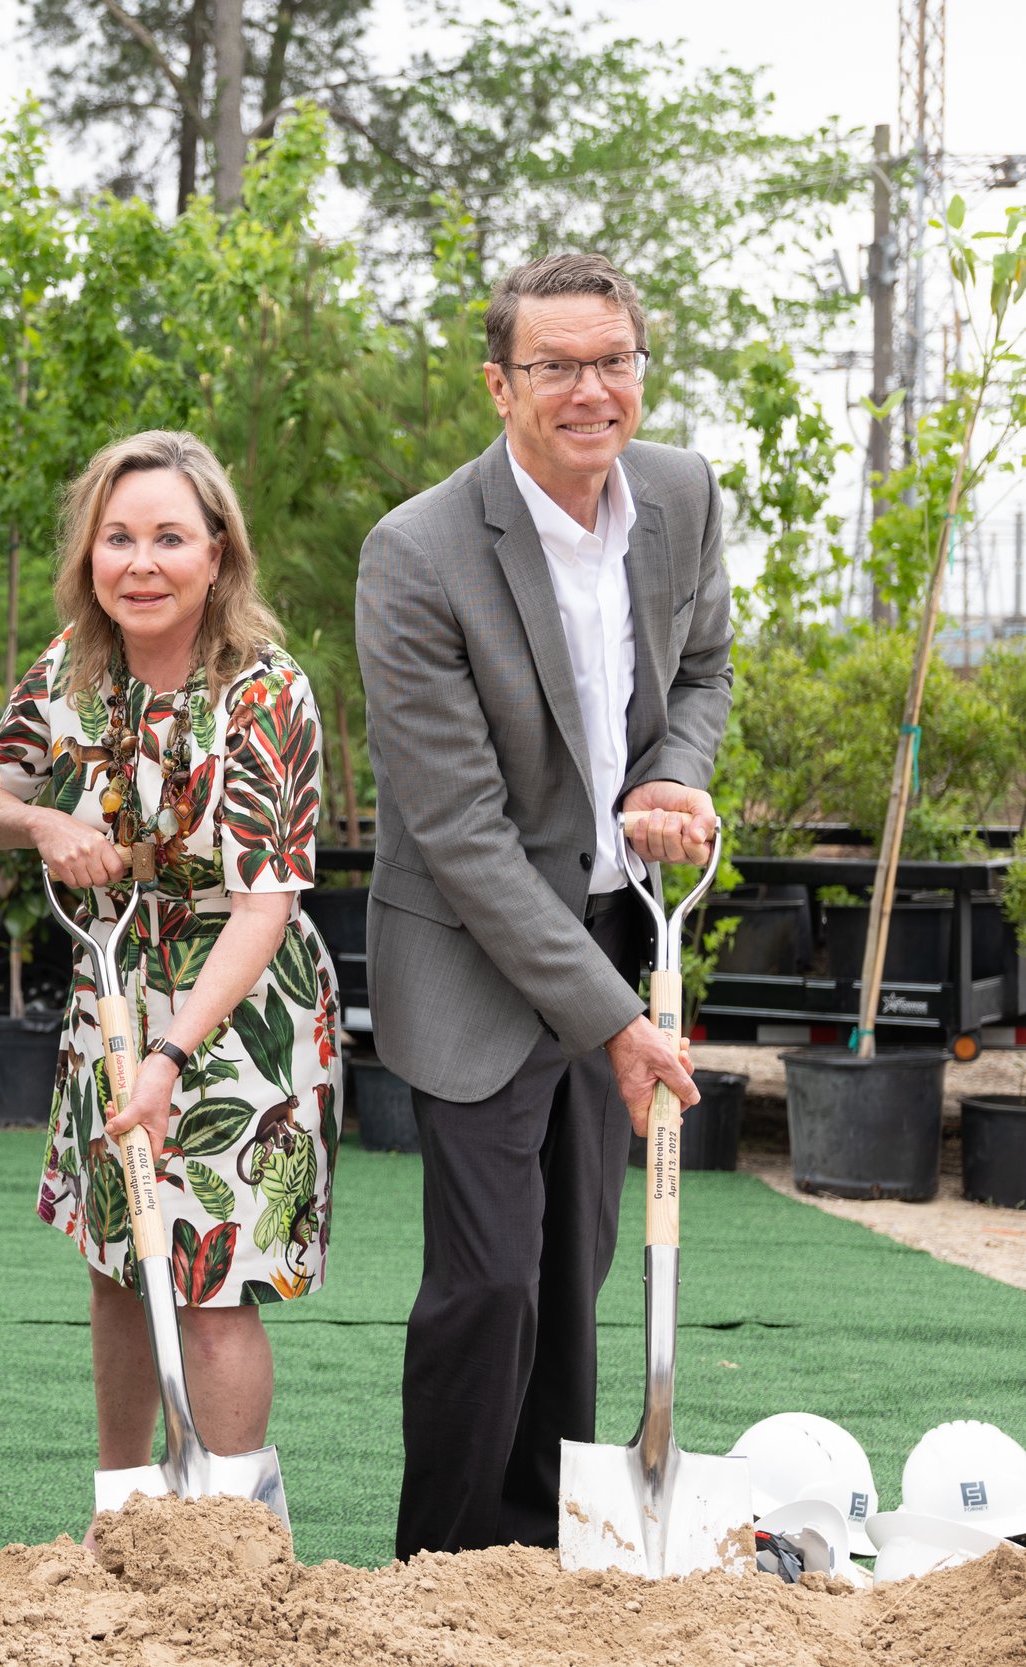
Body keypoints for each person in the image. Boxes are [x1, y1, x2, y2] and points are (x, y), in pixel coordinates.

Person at [356, 251, 732, 1559]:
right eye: (556, 365)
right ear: (500, 382)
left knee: (573, 1278)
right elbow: (458, 830)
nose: (591, 390)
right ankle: (440, 1570)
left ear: (640, 364)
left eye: (611, 360)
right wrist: (616, 1021)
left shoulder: (680, 494)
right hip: (471, 951)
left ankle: (540, 1564)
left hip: (612, 922)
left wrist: (673, 772)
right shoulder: (419, 553)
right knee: (491, 1283)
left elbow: (706, 668)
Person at [0, 429, 343, 1481]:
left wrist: (172, 1055)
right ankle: (125, 1507)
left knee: (209, 1280)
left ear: (217, 553)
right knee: (119, 1264)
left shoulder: (267, 693)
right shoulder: (68, 669)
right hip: (111, 993)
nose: (141, 561)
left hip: (235, 1018)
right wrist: (46, 826)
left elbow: (265, 906)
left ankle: (228, 1527)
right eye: (117, 536)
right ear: (89, 553)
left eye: (169, 537)